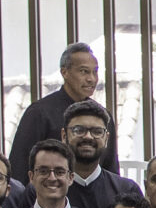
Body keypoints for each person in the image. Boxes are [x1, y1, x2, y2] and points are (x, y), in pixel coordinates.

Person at [7, 42, 99, 182]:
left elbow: (110, 167)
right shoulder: (39, 113)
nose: (91, 79)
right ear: (64, 72)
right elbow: (20, 166)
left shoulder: (101, 115)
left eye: (95, 72)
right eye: (84, 71)